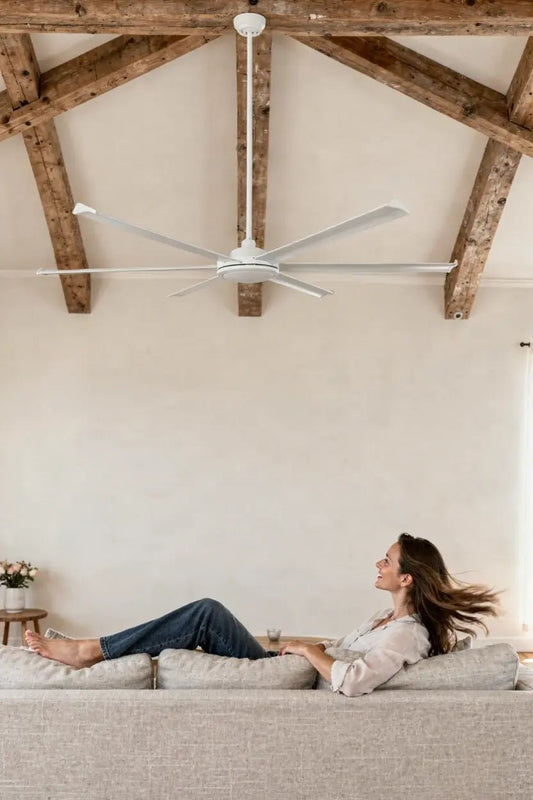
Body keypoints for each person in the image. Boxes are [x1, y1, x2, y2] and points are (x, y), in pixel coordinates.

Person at [25, 533, 500, 697]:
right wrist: (307, 648)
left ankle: (90, 651)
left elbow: (355, 681)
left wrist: (309, 651)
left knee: (205, 613)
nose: (378, 563)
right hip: (283, 666)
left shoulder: (408, 635)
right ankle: (92, 649)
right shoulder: (383, 618)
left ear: (407, 578)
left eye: (388, 561)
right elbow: (343, 652)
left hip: (281, 677)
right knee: (202, 616)